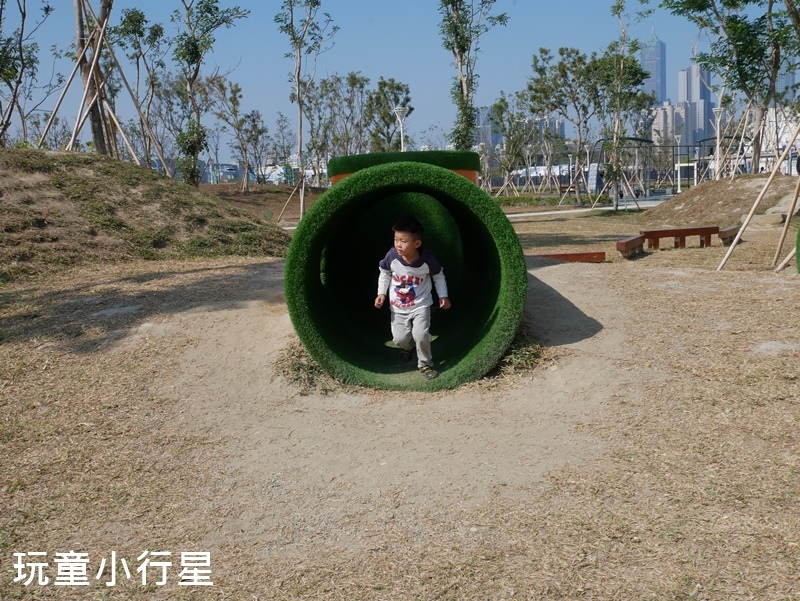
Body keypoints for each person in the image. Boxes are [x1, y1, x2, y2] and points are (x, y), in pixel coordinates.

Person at [374, 216, 451, 380]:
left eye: (403, 241)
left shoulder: (427, 259)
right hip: (398, 307)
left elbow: (438, 275)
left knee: (421, 334)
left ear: (417, 244)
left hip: (420, 305)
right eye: (396, 239)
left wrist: (443, 296)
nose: (398, 244)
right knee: (400, 339)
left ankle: (425, 364)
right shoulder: (392, 256)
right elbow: (385, 273)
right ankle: (408, 348)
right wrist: (381, 293)